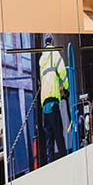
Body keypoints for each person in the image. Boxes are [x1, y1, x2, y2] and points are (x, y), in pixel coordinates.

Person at [38, 34, 69, 164]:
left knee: (49, 138)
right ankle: (65, 161)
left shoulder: (41, 60)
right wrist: (66, 87)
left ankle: (50, 163)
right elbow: (62, 72)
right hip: (53, 100)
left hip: (44, 103)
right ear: (52, 42)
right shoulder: (55, 54)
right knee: (59, 135)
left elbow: (42, 79)